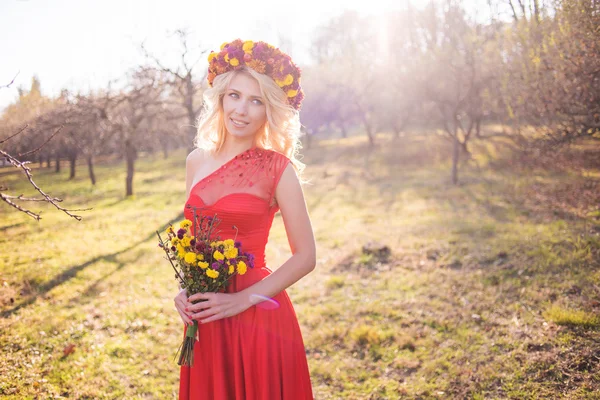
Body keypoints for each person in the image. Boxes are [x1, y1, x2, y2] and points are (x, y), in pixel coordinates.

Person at [173, 39, 316, 399]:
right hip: (206, 317)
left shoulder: (278, 169)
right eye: (235, 95)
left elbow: (306, 257)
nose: (242, 110)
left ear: (271, 111)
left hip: (258, 316)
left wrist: (242, 300)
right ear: (220, 97)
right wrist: (184, 291)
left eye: (257, 101)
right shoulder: (196, 160)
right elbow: (192, 243)